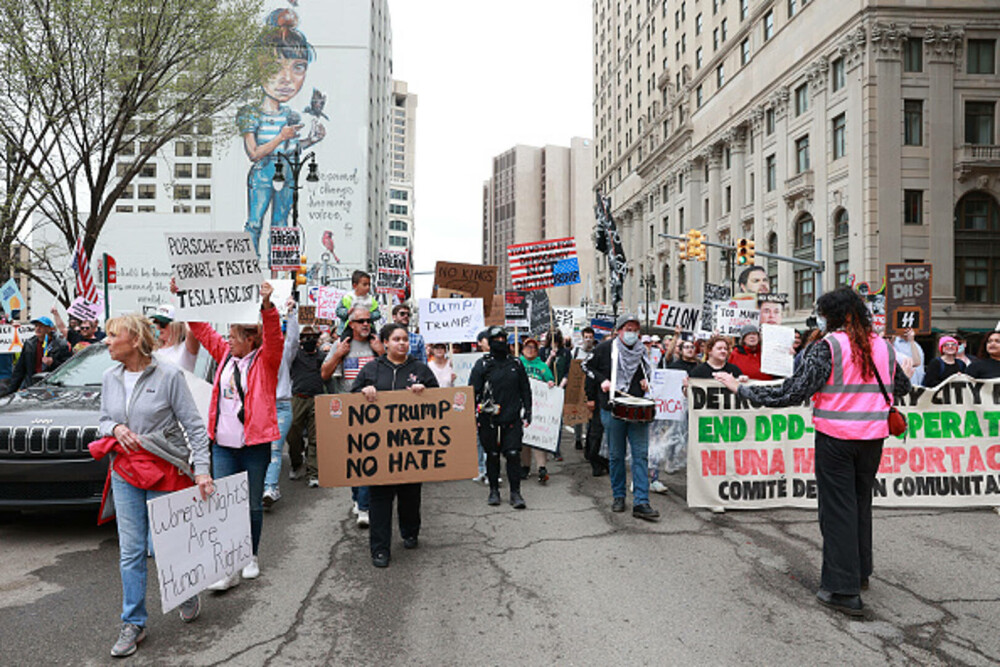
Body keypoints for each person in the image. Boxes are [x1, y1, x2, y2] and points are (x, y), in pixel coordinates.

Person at [714, 286, 911, 617]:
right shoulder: (883, 347)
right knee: (860, 505)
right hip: (873, 440)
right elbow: (902, 387)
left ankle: (844, 590)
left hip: (836, 439)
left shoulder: (827, 347)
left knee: (837, 511)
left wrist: (741, 388)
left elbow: (792, 392)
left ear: (835, 316)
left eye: (824, 313)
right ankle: (860, 574)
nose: (821, 318)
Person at [93, 314, 213, 657]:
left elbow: (194, 427)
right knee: (131, 551)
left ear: (134, 340)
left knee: (167, 547)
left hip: (165, 468)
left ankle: (186, 590)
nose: (107, 341)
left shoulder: (169, 375)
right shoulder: (109, 377)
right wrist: (114, 429)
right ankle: (134, 623)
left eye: (113, 335)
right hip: (126, 472)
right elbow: (103, 420)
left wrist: (202, 471)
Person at [186, 282, 282, 590]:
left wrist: (267, 305)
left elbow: (274, 337)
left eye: (233, 334)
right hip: (223, 446)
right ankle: (227, 567)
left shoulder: (266, 360)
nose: (227, 339)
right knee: (224, 505)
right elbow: (201, 330)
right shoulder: (225, 356)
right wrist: (185, 294)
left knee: (252, 504)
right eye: (227, 334)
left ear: (249, 338)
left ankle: (249, 556)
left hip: (254, 445)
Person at [238, 7, 325, 256]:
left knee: (281, 227)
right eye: (275, 68)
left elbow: (291, 149)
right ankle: (250, 273)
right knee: (254, 223)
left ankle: (279, 278)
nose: (286, 79)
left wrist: (310, 140)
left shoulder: (290, 115)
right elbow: (254, 153)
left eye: (298, 67)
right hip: (263, 173)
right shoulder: (251, 113)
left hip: (287, 173)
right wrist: (280, 137)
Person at [352, 323, 439, 568]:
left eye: (405, 339)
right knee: (379, 499)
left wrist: (426, 392)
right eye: (396, 339)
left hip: (411, 447)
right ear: (385, 343)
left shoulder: (420, 369)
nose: (402, 343)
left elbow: (438, 400)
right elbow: (352, 398)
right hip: (378, 449)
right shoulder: (371, 369)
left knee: (410, 495)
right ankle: (379, 549)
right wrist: (363, 391)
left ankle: (410, 531)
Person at [583, 313, 660, 521]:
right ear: (619, 331)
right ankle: (618, 495)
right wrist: (602, 381)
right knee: (616, 455)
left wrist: (645, 381)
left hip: (636, 408)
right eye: (628, 329)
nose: (632, 333)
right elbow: (586, 367)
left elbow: (647, 371)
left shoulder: (641, 351)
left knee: (640, 455)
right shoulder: (605, 348)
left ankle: (641, 502)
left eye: (636, 329)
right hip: (612, 407)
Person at [322, 305, 385, 524]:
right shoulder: (343, 345)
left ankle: (365, 507)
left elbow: (391, 369)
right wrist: (337, 355)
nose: (366, 324)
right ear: (351, 324)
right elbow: (324, 374)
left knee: (369, 455)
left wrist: (381, 353)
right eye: (361, 321)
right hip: (349, 411)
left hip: (375, 410)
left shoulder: (377, 344)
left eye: (368, 320)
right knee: (355, 458)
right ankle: (358, 499)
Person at [470, 326, 531, 509]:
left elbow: (525, 390)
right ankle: (494, 491)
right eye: (496, 339)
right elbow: (473, 390)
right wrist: (472, 415)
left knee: (513, 454)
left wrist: (528, 411)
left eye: (504, 339)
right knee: (493, 455)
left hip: (511, 417)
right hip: (489, 419)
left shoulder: (516, 364)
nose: (501, 343)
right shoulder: (482, 364)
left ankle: (515, 493)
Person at [263, 298, 300, 509]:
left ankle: (270, 487)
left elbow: (293, 340)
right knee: (261, 450)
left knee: (275, 449)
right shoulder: (256, 354)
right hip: (261, 407)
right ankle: (262, 486)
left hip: (282, 406)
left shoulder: (285, 351)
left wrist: (291, 313)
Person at [286, 324, 326, 485]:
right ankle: (297, 463)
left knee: (315, 437)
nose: (309, 340)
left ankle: (313, 473)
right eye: (305, 338)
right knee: (292, 434)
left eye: (312, 338)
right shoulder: (294, 355)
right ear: (301, 340)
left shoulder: (322, 357)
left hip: (317, 399)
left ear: (317, 340)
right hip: (298, 398)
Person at [2, 315, 70, 395]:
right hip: (32, 386)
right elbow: (20, 370)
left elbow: (68, 368)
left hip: (52, 388)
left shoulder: (60, 344)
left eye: (41, 326)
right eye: (36, 326)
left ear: (50, 329)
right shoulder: (29, 344)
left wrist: (53, 363)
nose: (38, 328)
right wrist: (10, 392)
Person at [519, 338, 555, 483]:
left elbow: (550, 381)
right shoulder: (517, 363)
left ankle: (541, 468)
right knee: (524, 439)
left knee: (539, 438)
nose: (531, 349)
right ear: (522, 348)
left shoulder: (542, 366)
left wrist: (551, 383)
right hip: (521, 406)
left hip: (540, 407)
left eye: (534, 347)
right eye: (528, 346)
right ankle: (525, 466)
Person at [149, 304, 200, 373]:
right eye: (156, 322)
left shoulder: (185, 348)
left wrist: (183, 316)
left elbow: (191, 331)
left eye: (163, 324)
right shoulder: (154, 348)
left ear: (176, 325)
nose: (158, 327)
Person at [571, 327, 598, 451]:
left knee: (589, 416)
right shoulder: (575, 352)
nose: (588, 340)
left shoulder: (596, 352)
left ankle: (588, 440)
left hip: (591, 388)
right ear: (582, 338)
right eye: (586, 337)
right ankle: (577, 439)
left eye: (590, 337)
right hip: (577, 387)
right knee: (578, 415)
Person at [335, 270, 382, 334]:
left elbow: (378, 314)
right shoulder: (347, 298)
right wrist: (347, 312)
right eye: (364, 284)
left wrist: (369, 315)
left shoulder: (371, 300)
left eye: (369, 284)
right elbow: (338, 311)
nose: (368, 287)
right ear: (355, 286)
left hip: (367, 329)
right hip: (348, 328)